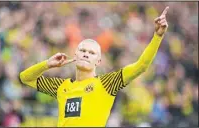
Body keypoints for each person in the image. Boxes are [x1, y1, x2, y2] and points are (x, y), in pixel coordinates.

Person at [20, 6, 169, 127]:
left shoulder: (106, 84)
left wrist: (157, 36)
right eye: (82, 51)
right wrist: (47, 64)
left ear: (98, 61)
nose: (86, 54)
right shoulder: (61, 86)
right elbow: (25, 78)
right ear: (75, 55)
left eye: (91, 53)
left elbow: (141, 66)